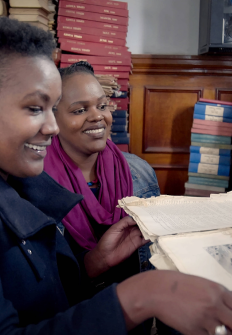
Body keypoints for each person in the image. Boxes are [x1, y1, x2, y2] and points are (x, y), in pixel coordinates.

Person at [0, 17, 232, 335]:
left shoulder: (18, 178)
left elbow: (47, 297)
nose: (53, 127)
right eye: (35, 108)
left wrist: (94, 264)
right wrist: (142, 295)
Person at [43, 61, 159, 288]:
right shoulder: (35, 184)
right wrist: (93, 263)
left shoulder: (140, 172)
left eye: (102, 106)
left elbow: (154, 258)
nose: (98, 117)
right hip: (70, 317)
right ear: (53, 119)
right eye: (80, 110)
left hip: (134, 310)